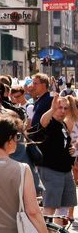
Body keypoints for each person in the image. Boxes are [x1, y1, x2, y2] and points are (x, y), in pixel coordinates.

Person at [32, 93, 76, 222]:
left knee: (63, 207)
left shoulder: (63, 125)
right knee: (50, 207)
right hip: (51, 171)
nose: (62, 111)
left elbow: (63, 143)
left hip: (66, 171)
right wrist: (52, 109)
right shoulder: (49, 122)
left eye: (65, 108)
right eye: (59, 107)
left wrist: (71, 147)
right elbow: (43, 122)